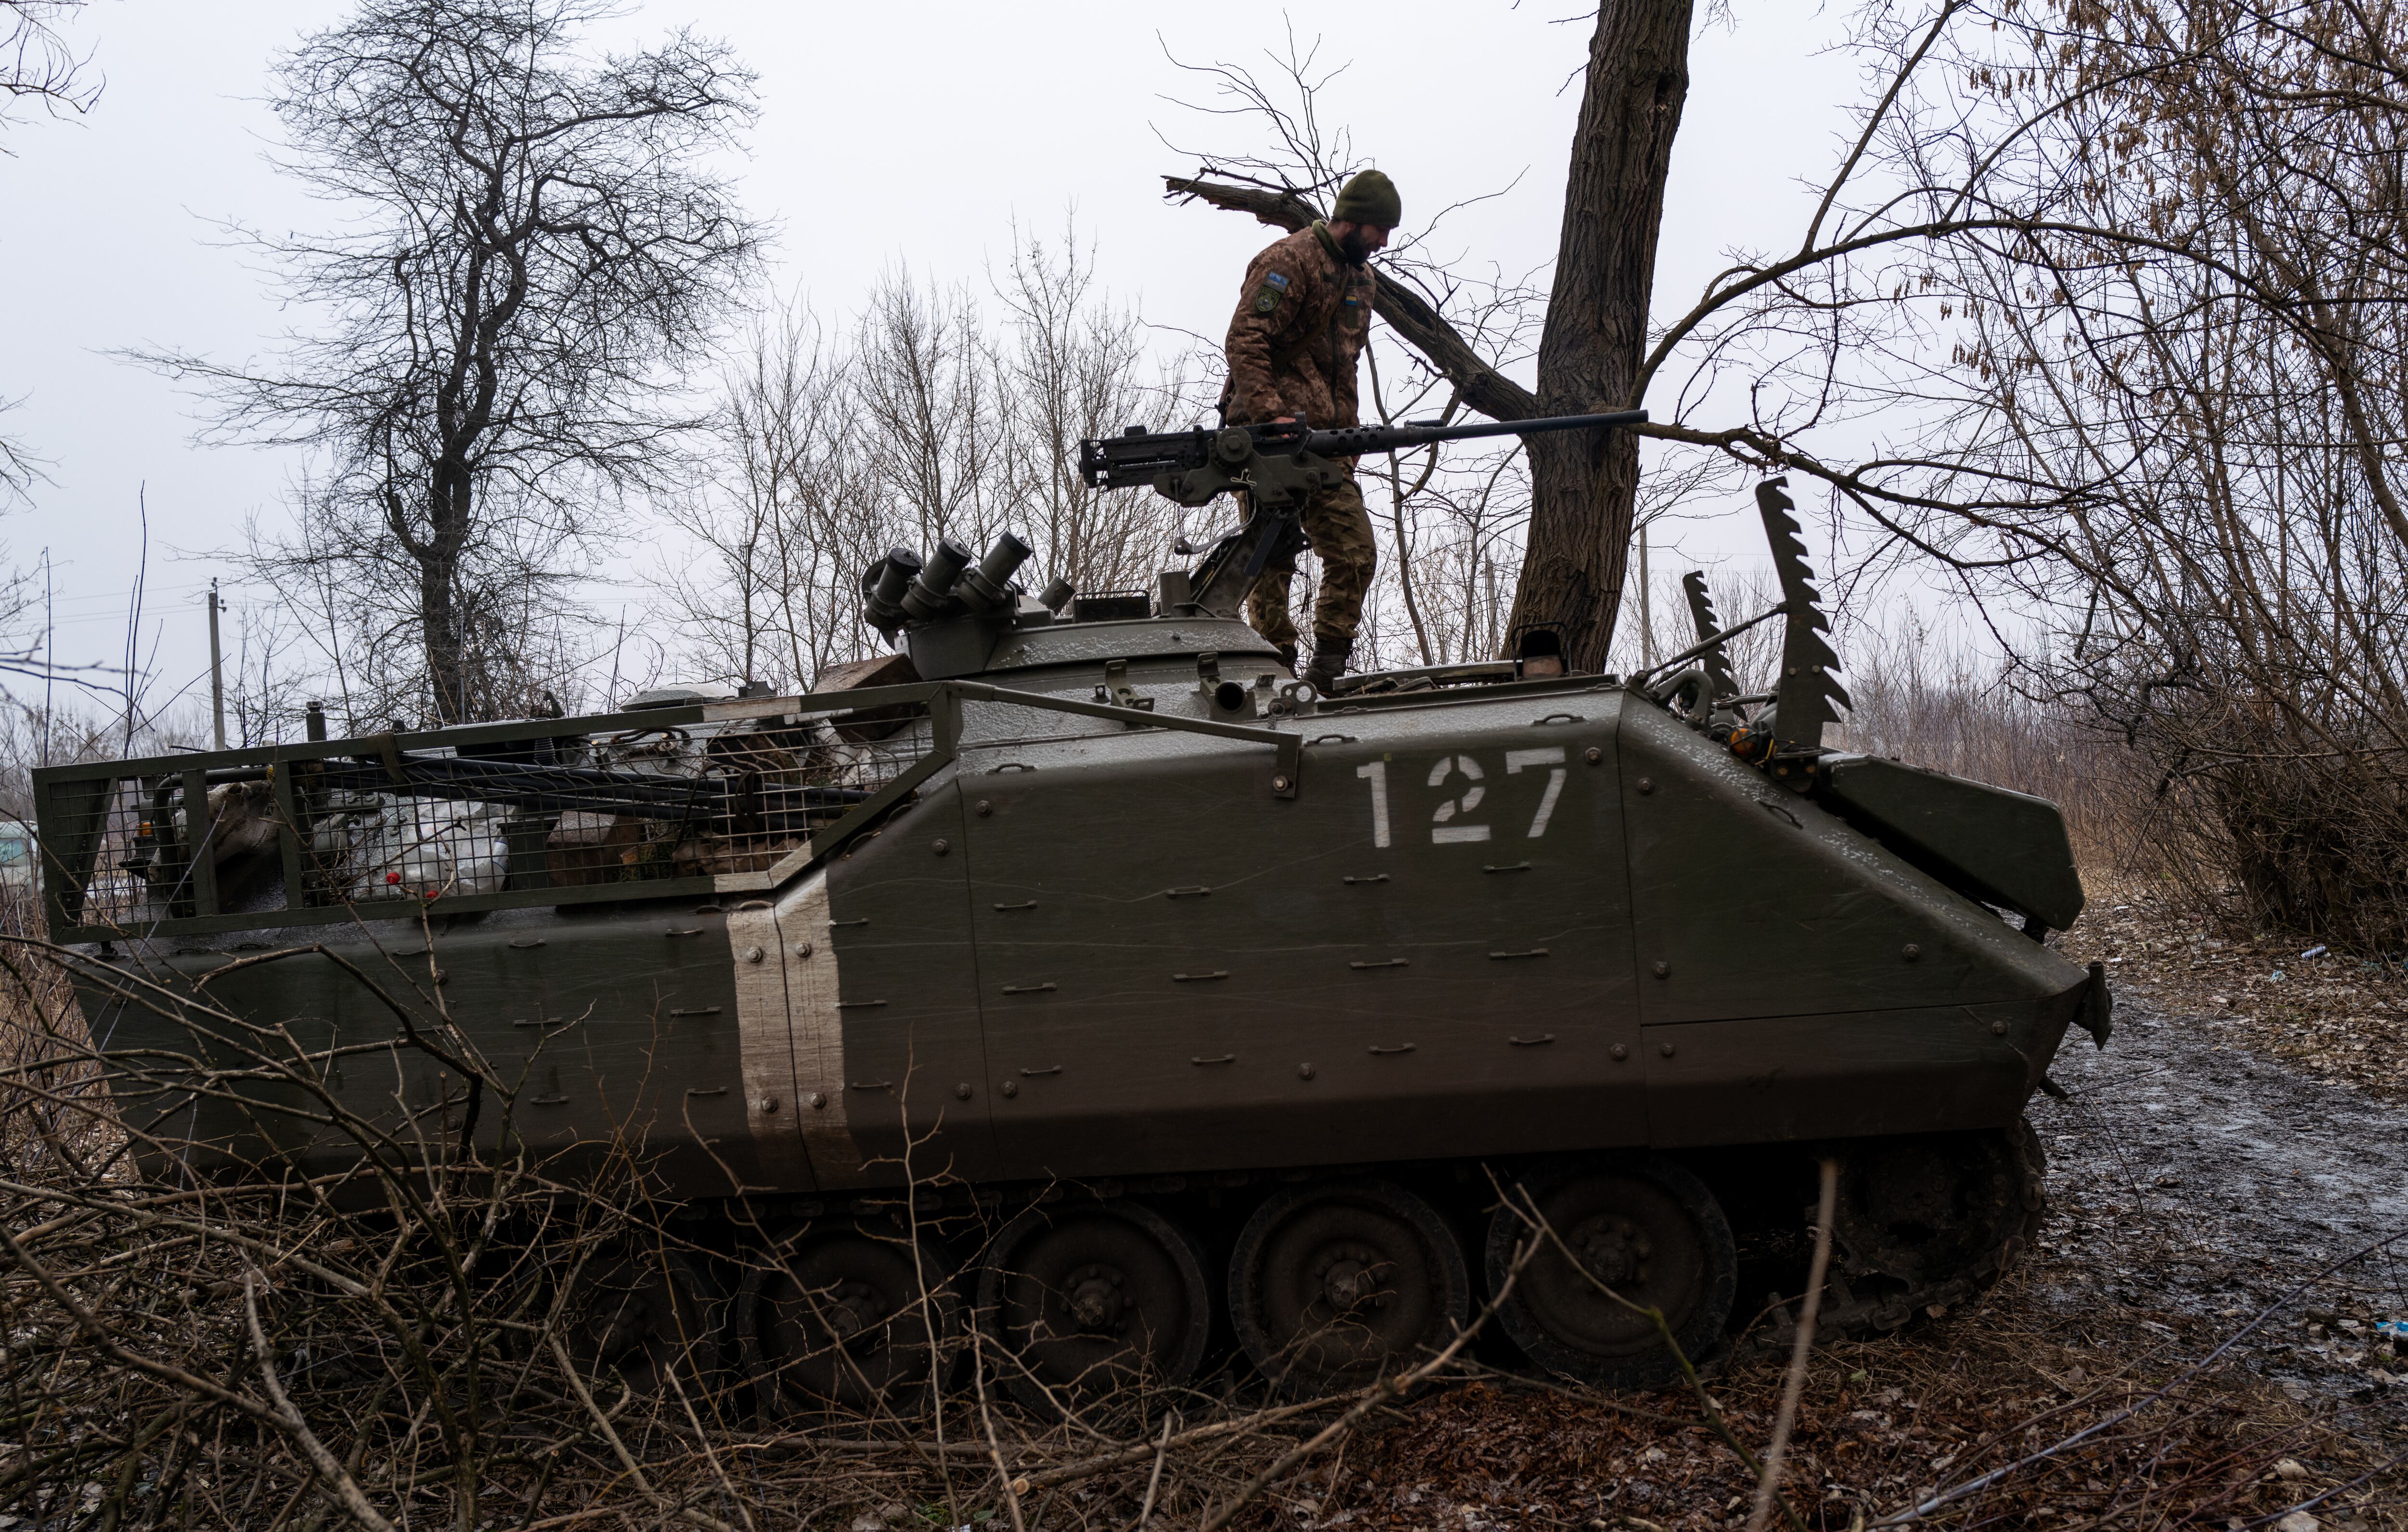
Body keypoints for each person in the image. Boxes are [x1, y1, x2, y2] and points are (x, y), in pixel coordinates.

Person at [1221, 168, 1399, 692]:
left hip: (1325, 447)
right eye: (1378, 230)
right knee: (1269, 562)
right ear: (1353, 220)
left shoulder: (1362, 280)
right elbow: (1245, 340)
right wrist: (1270, 414)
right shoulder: (1287, 260)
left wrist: (1349, 437)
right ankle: (1274, 669)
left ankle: (1326, 672)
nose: (1383, 243)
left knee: (1354, 552)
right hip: (1267, 443)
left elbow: (1346, 365)